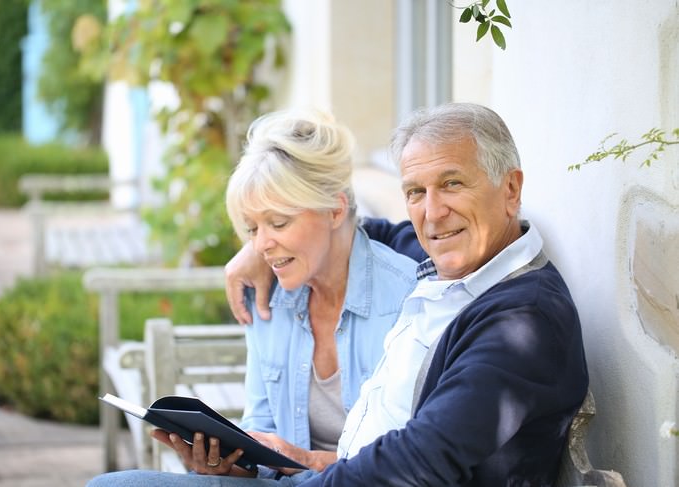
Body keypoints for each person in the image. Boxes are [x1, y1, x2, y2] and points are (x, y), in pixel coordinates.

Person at [88, 102, 589, 487]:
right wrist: (266, 247)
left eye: (452, 184)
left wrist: (308, 473)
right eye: (415, 191)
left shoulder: (522, 318)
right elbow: (372, 234)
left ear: (510, 189)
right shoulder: (454, 261)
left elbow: (426, 457)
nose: (433, 214)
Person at [88, 108, 418, 484]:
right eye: (252, 229)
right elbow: (260, 427)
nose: (261, 245)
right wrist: (229, 462)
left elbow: (413, 454)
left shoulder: (406, 300)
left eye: (278, 223)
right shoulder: (268, 296)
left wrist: (308, 460)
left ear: (335, 210)